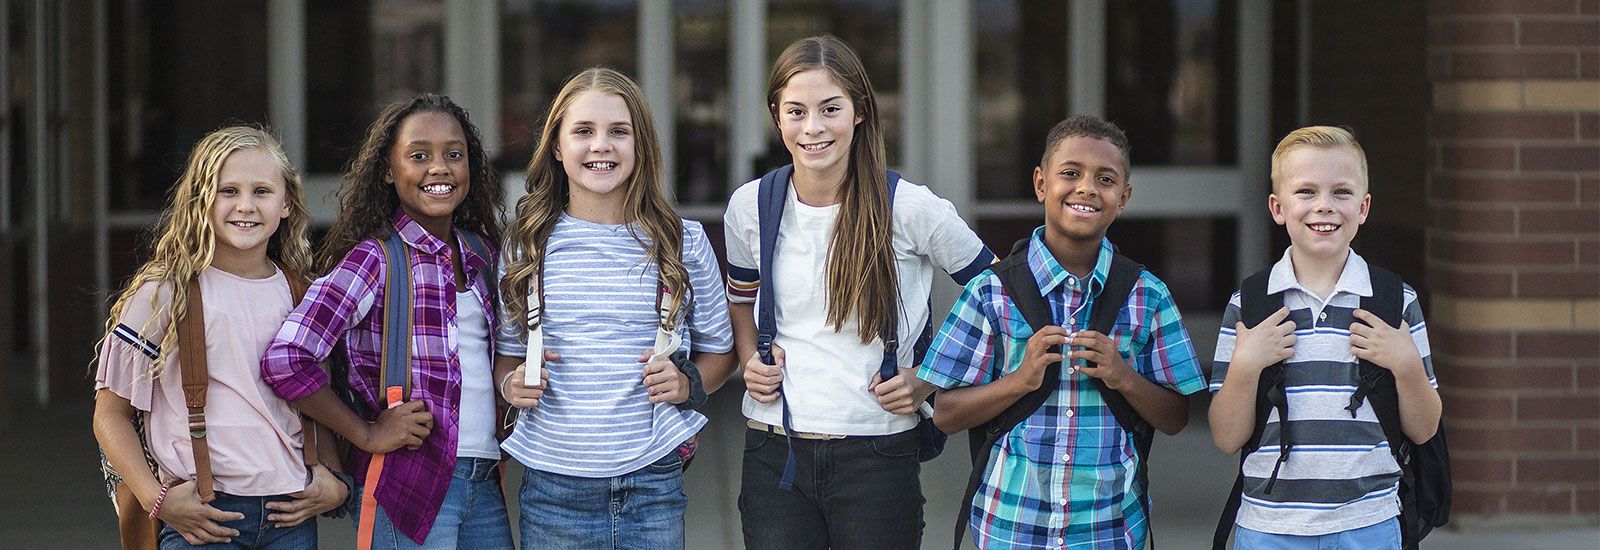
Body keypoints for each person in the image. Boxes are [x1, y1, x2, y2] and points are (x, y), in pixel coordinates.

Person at [721, 35, 995, 549]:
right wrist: (747, 356)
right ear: (777, 116)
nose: (813, 128)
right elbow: (740, 298)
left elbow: (1001, 297)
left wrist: (932, 377)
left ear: (860, 111)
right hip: (773, 450)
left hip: (879, 451)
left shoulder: (910, 208)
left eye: (830, 109)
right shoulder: (751, 206)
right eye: (796, 111)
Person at [493, 66, 734, 550]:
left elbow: (722, 354)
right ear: (558, 148)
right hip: (552, 484)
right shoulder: (528, 246)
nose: (601, 145)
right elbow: (507, 357)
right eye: (583, 131)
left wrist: (688, 384)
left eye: (618, 132)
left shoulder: (682, 242)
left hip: (653, 479)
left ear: (640, 146)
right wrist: (510, 384)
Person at [260, 94, 511, 549]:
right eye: (419, 156)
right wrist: (366, 432)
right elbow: (287, 358)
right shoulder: (374, 260)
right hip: (409, 480)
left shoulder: (482, 255)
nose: (439, 167)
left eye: (454, 155)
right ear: (389, 172)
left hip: (483, 480)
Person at [93, 126, 347, 549]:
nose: (245, 205)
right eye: (228, 190)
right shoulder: (164, 292)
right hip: (203, 519)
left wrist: (334, 479)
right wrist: (158, 500)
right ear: (202, 201)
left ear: (286, 204)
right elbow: (109, 415)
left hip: (290, 516)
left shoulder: (303, 293)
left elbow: (316, 401)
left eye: (261, 191)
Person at [1208, 126, 1440, 549]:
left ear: (1364, 207)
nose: (1324, 206)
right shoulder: (1251, 305)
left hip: (1370, 524)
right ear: (1278, 208)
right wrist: (1245, 366)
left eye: (1341, 192)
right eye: (1307, 192)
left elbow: (1424, 429)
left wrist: (1406, 366)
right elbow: (1226, 438)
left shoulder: (1394, 302)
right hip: (1268, 529)